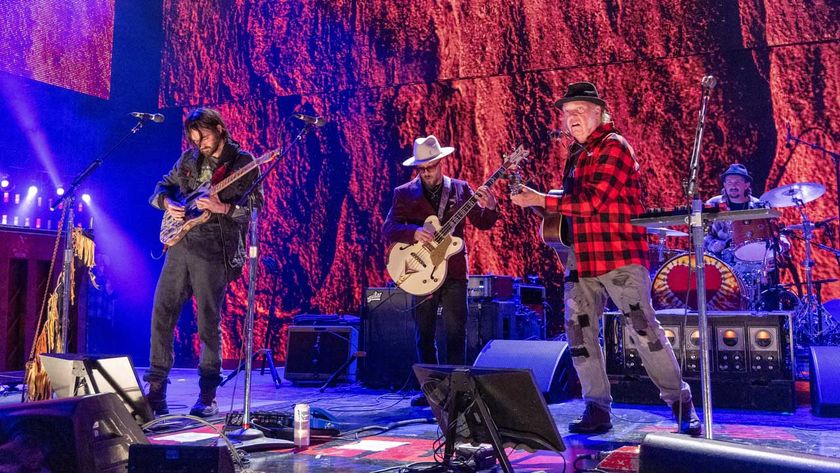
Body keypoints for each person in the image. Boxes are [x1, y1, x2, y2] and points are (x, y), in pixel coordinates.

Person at [511, 82, 700, 436]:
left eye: (579, 111)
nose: (571, 119)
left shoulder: (615, 146)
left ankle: (680, 403)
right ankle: (597, 408)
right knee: (579, 335)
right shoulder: (576, 154)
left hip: (619, 256)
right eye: (567, 114)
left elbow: (593, 202)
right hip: (581, 260)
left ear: (599, 113)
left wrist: (541, 199)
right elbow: (571, 208)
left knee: (644, 331)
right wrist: (538, 204)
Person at [144, 108, 262, 417]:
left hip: (215, 248)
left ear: (220, 129)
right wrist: (168, 203)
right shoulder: (187, 159)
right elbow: (162, 187)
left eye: (205, 137)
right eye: (195, 139)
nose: (200, 144)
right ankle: (156, 390)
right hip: (180, 243)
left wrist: (222, 207)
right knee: (162, 312)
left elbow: (255, 210)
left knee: (208, 320)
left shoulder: (243, 162)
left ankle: (208, 393)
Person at [383, 135, 499, 406]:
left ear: (441, 163)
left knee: (456, 331)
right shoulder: (403, 193)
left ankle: (457, 390)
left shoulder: (459, 189)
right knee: (424, 332)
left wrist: (491, 208)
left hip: (454, 270)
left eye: (431, 167)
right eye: (422, 169)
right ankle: (431, 390)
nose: (427, 173)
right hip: (421, 271)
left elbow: (481, 223)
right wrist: (414, 232)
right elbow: (388, 229)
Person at [704, 164, 790, 306]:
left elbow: (773, 232)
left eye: (737, 182)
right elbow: (701, 236)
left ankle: (767, 310)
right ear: (724, 184)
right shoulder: (713, 204)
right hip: (723, 262)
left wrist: (782, 242)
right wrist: (718, 245)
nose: (733, 186)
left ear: (746, 184)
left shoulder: (759, 205)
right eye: (729, 182)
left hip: (755, 262)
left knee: (771, 267)